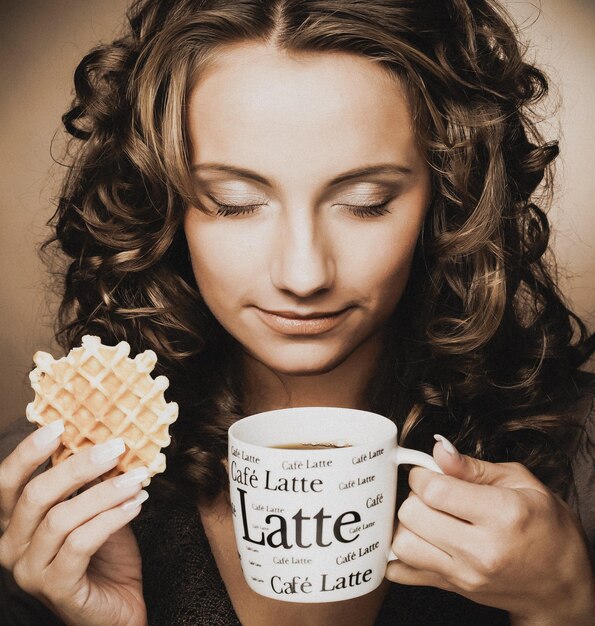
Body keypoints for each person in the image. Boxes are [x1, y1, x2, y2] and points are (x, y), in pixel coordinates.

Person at [0, 0, 593, 624]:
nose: (304, 275)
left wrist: (564, 604)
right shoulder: (54, 490)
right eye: (233, 203)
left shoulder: (576, 457)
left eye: (366, 202)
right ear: (164, 204)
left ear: (449, 198)